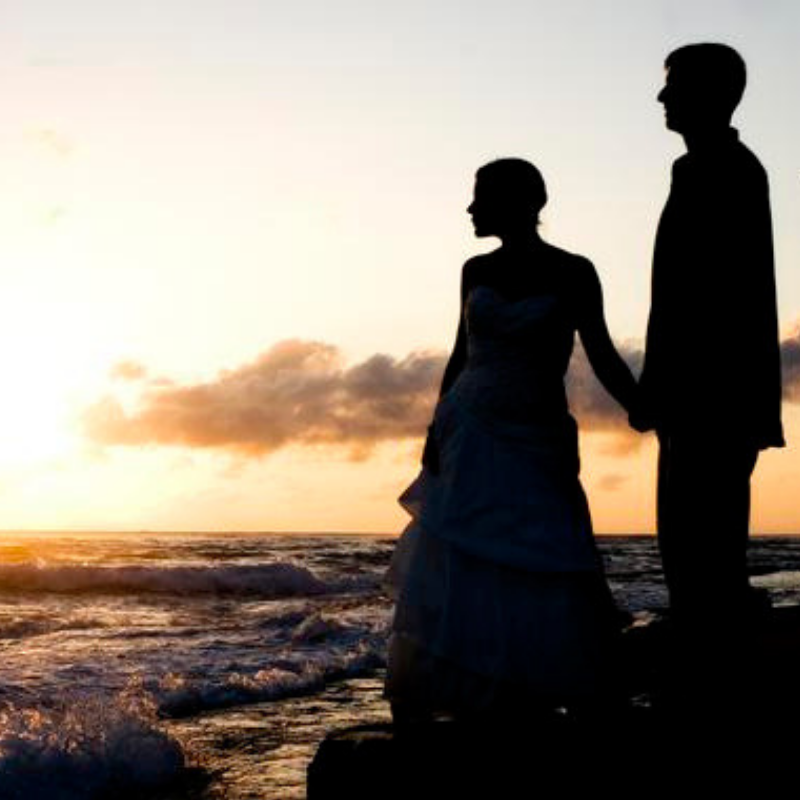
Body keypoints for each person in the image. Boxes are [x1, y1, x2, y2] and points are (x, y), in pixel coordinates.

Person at [384, 158, 638, 722]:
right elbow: (459, 356)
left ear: (520, 202)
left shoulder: (574, 271)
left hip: (538, 436)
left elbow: (600, 353)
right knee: (462, 559)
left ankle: (539, 683)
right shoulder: (473, 270)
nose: (470, 209)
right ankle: (466, 686)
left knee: (548, 554)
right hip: (469, 429)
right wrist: (434, 428)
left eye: (480, 197)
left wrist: (644, 408)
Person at [631, 43, 784, 635]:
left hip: (711, 388)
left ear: (714, 94)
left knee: (701, 536)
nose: (663, 97)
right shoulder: (699, 167)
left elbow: (714, 297)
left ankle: (712, 661)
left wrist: (663, 382)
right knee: (690, 535)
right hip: (698, 387)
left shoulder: (728, 169)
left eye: (674, 85)